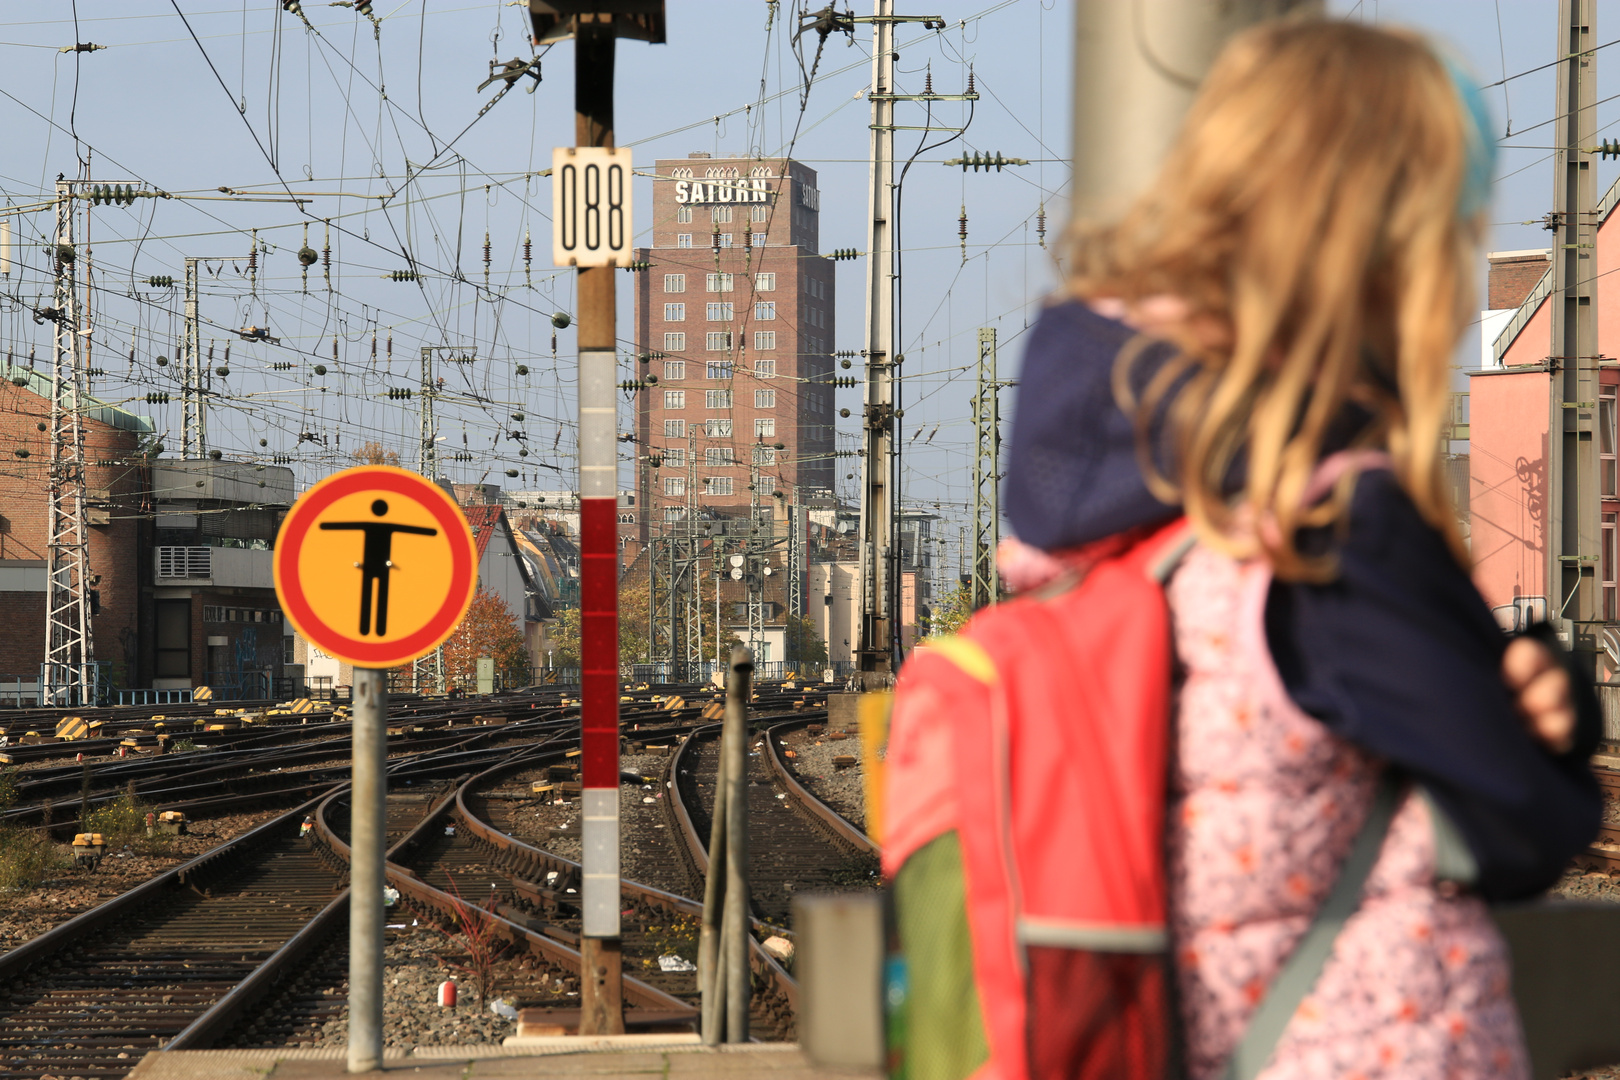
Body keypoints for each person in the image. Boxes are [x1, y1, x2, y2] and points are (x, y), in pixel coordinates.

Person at [1000, 20, 1600, 1080]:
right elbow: (1521, 826)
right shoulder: (1332, 526)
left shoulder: (1089, 524)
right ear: (1386, 251)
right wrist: (1555, 723)